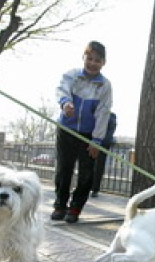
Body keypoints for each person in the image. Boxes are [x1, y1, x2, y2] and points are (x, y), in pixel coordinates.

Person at [51, 41, 113, 223]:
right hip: (67, 130)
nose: (92, 63)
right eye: (89, 58)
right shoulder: (71, 75)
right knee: (64, 169)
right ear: (83, 58)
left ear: (103, 63)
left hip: (89, 136)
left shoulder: (105, 86)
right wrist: (65, 103)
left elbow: (103, 112)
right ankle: (60, 205)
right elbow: (61, 89)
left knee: (86, 173)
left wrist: (97, 140)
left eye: (97, 60)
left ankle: (76, 207)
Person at [91, 112, 117, 198]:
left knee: (91, 166)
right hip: (104, 144)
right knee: (99, 166)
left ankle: (91, 188)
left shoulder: (99, 115)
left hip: (96, 143)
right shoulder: (112, 117)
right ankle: (95, 189)